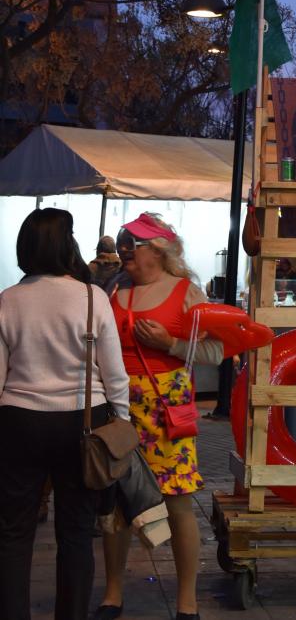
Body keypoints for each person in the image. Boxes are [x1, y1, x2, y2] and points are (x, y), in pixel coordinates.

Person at [0, 208, 130, 620]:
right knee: (75, 533)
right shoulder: (92, 297)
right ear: (68, 245)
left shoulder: (8, 300)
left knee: (13, 533)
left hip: (19, 421)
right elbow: (115, 374)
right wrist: (122, 422)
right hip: (83, 422)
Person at [95, 212, 223, 620]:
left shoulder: (188, 293)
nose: (125, 252)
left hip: (166, 412)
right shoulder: (116, 291)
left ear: (158, 249)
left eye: (134, 244)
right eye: (124, 244)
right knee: (116, 504)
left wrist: (170, 343)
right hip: (120, 409)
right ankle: (112, 594)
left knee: (178, 503)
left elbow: (217, 352)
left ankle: (188, 600)